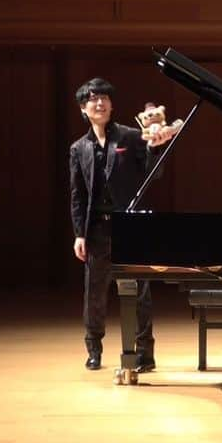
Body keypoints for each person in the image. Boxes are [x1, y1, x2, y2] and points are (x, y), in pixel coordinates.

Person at [69, 78, 177, 372]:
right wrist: (79, 233)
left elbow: (152, 173)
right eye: (93, 99)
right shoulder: (79, 148)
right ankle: (94, 348)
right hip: (96, 229)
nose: (100, 103)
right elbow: (77, 195)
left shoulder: (130, 137)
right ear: (83, 108)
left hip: (129, 225)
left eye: (104, 98)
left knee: (140, 291)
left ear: (112, 105)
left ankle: (145, 352)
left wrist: (156, 148)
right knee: (95, 292)